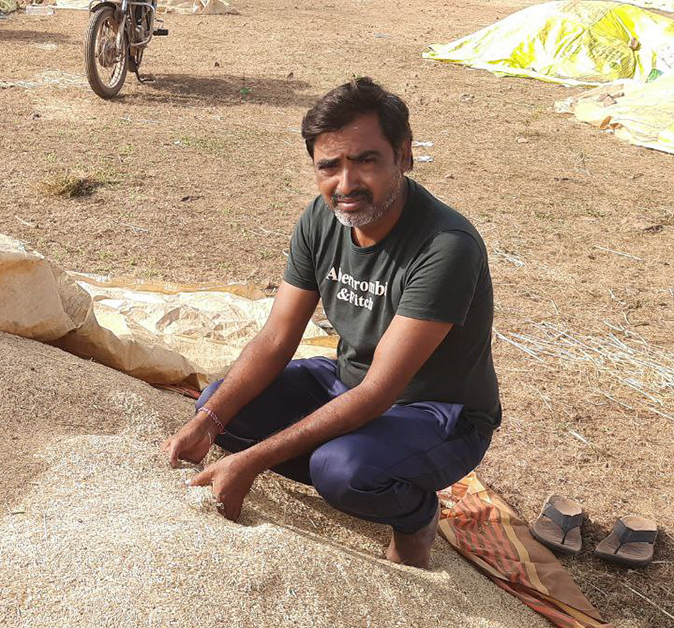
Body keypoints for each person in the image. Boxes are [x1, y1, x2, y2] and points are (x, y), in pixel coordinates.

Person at [162, 77, 500, 569]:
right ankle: (357, 468)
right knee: (221, 407)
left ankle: (415, 516)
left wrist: (251, 464)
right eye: (329, 166)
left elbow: (381, 392)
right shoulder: (321, 221)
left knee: (342, 471)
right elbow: (277, 337)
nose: (346, 185)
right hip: (347, 381)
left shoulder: (445, 247)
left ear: (404, 155)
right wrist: (205, 424)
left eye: (366, 160)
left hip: (437, 412)